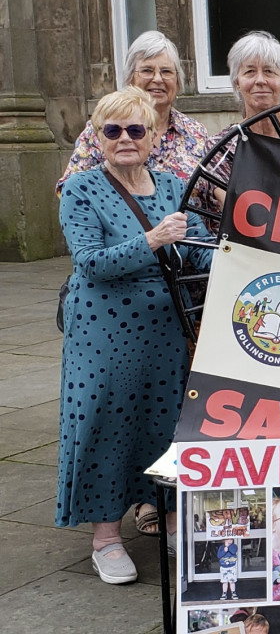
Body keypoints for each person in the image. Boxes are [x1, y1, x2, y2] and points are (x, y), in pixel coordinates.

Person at [56, 86, 213, 584]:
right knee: (105, 420)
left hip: (164, 327)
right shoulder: (81, 189)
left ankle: (169, 519)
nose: (125, 138)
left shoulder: (170, 185)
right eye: (113, 130)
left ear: (152, 137)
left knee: (166, 421)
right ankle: (106, 537)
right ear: (98, 137)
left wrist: (246, 258)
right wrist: (151, 241)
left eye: (136, 129)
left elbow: (200, 249)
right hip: (102, 327)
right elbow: (90, 263)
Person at [56, 31, 208, 198]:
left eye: (166, 72)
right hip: (121, 223)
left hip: (187, 224)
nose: (157, 79)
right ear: (130, 79)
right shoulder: (105, 128)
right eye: (147, 70)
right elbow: (69, 191)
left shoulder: (195, 132)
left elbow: (210, 193)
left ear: (178, 82)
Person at [203, 31, 280, 206]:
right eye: (250, 72)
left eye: (269, 71)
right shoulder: (223, 146)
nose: (260, 80)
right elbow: (233, 212)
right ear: (237, 83)